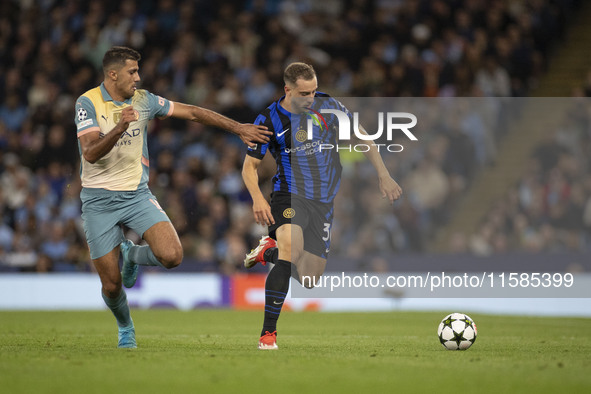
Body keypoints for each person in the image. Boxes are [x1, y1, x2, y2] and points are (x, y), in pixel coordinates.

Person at [74, 46, 270, 348]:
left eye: (138, 71)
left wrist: (237, 128)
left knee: (172, 256)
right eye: (132, 72)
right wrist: (120, 127)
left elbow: (192, 112)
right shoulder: (88, 102)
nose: (137, 78)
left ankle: (131, 254)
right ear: (112, 74)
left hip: (136, 195)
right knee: (112, 285)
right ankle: (125, 326)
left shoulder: (145, 100)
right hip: (98, 200)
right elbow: (89, 153)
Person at [242, 62, 402, 349]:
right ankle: (268, 335)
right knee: (291, 250)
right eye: (304, 93)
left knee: (309, 278)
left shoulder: (327, 105)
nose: (310, 98)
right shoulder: (268, 119)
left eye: (314, 91)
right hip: (288, 194)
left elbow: (362, 134)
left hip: (324, 202)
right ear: (287, 90)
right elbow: (249, 167)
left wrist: (384, 173)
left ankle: (270, 251)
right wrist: (257, 197)